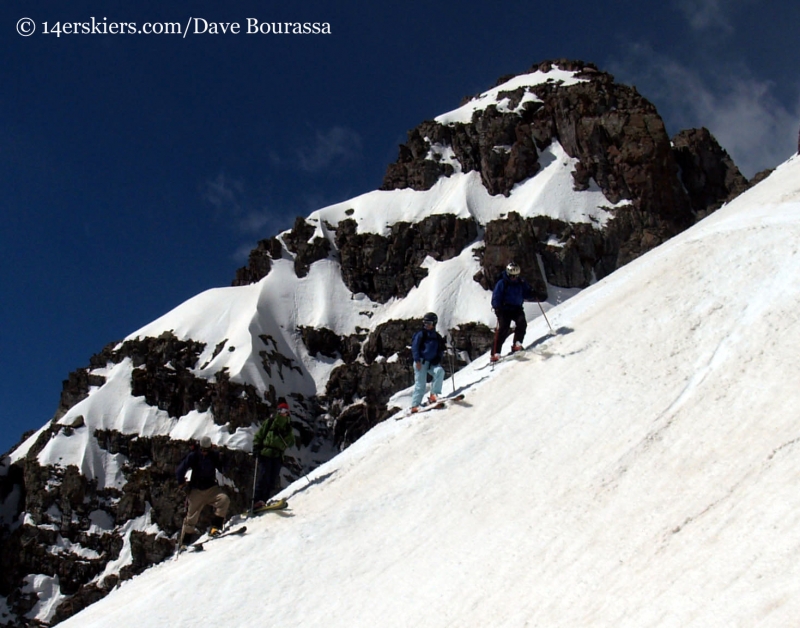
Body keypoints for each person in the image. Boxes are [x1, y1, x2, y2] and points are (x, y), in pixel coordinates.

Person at [176, 435, 230, 545]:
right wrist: (181, 483)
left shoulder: (214, 456)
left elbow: (223, 469)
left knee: (224, 500)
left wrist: (224, 460)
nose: (204, 452)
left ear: (210, 448)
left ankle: (215, 527)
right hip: (196, 490)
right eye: (202, 450)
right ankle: (184, 544)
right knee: (191, 518)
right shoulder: (194, 456)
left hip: (211, 488)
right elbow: (180, 470)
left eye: (206, 450)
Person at [252, 401, 296, 510]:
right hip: (266, 453)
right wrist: (256, 447)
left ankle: (264, 500)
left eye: (285, 411)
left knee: (272, 479)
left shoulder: (287, 426)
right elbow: (260, 434)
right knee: (263, 476)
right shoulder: (270, 422)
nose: (283, 413)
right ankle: (257, 501)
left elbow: (291, 442)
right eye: (281, 410)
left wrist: (285, 435)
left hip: (277, 455)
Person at [490, 262, 538, 362]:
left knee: (522, 323)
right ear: (507, 274)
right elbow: (496, 296)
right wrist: (497, 307)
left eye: (515, 276)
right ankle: (495, 354)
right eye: (511, 276)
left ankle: (517, 344)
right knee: (503, 329)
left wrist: (532, 293)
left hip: (517, 308)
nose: (513, 278)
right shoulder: (502, 283)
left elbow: (526, 293)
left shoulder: (520, 282)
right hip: (504, 309)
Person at [410, 312, 446, 413]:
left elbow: (440, 350)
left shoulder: (437, 337)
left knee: (439, 372)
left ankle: (434, 395)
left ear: (434, 323)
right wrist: (417, 360)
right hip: (420, 362)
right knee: (420, 384)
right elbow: (415, 347)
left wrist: (438, 358)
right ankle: (415, 405)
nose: (426, 325)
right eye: (425, 323)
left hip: (431, 362)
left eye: (429, 323)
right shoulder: (421, 334)